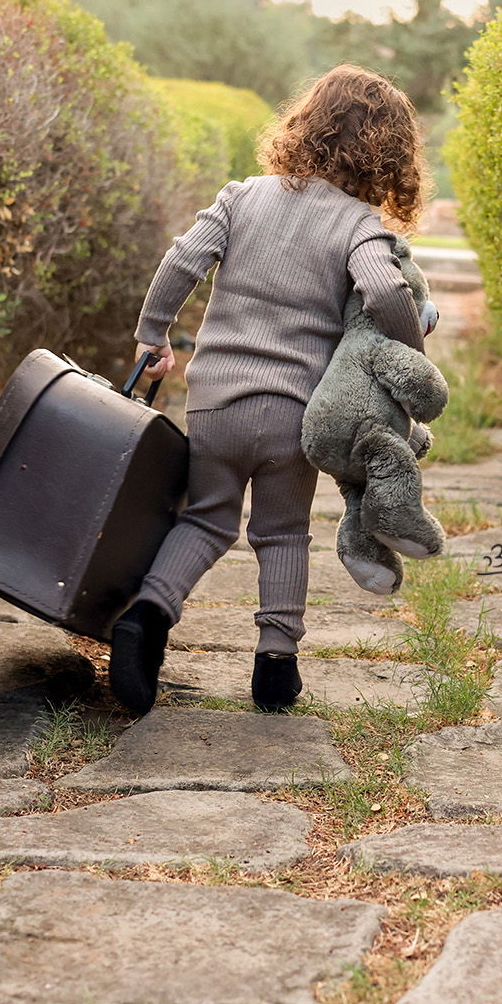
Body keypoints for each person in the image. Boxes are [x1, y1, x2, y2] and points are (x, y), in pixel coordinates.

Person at [111, 64, 433, 715]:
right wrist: (410, 360)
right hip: (294, 415)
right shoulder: (358, 226)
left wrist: (154, 336)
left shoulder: (241, 195)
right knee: (283, 532)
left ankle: (146, 617)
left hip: (216, 401)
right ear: (384, 154)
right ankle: (275, 666)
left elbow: (181, 260)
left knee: (205, 518)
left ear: (305, 123)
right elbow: (386, 291)